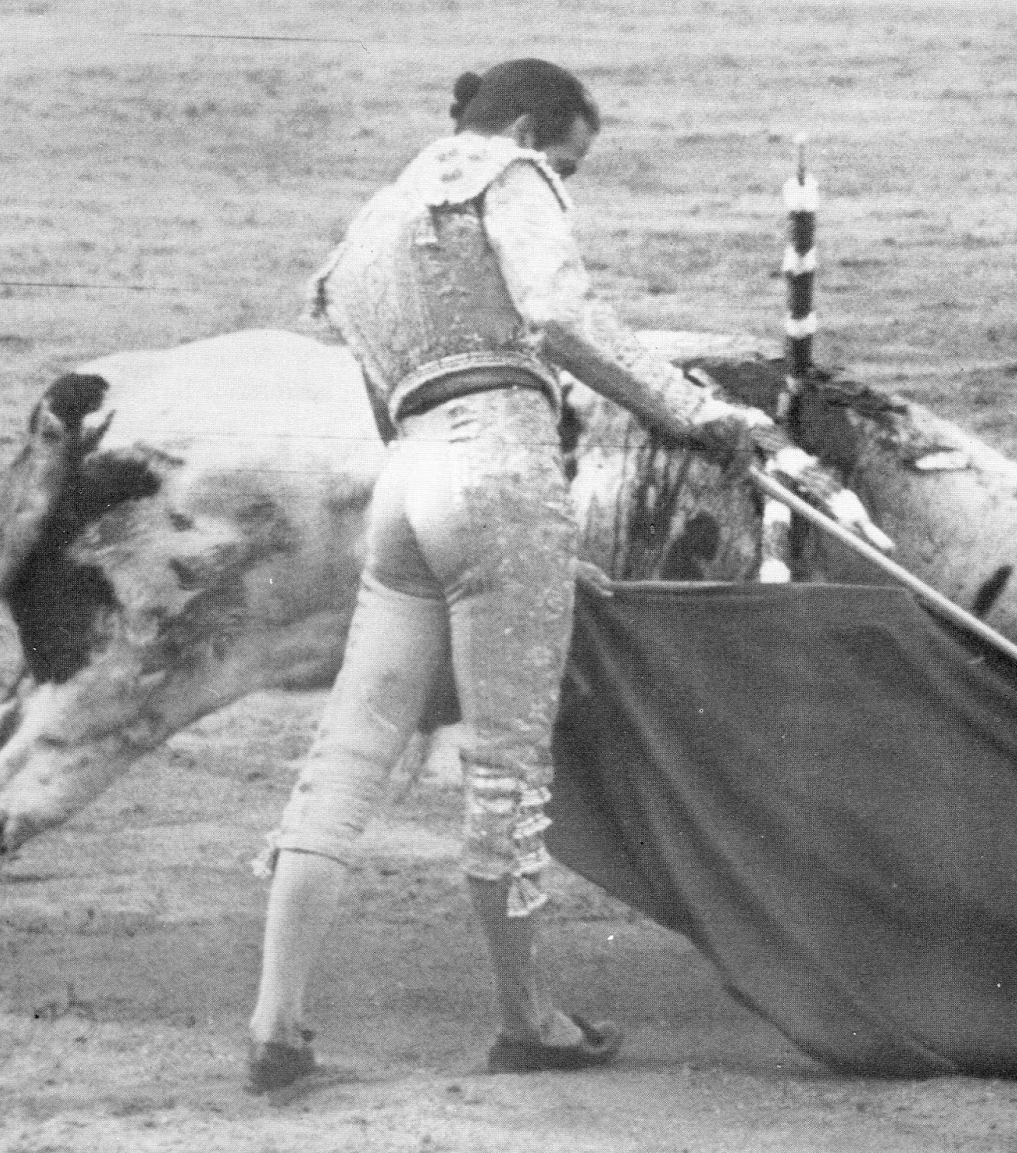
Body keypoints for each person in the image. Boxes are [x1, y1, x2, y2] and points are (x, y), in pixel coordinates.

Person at [246, 58, 766, 1090]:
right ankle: (528, 1020)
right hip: (498, 468)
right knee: (505, 771)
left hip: (406, 483)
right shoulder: (507, 173)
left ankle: (276, 1020)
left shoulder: (372, 224)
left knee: (347, 754)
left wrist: (524, 543)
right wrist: (696, 412)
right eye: (566, 159)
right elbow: (559, 314)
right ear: (527, 129)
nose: (560, 175)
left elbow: (382, 396)